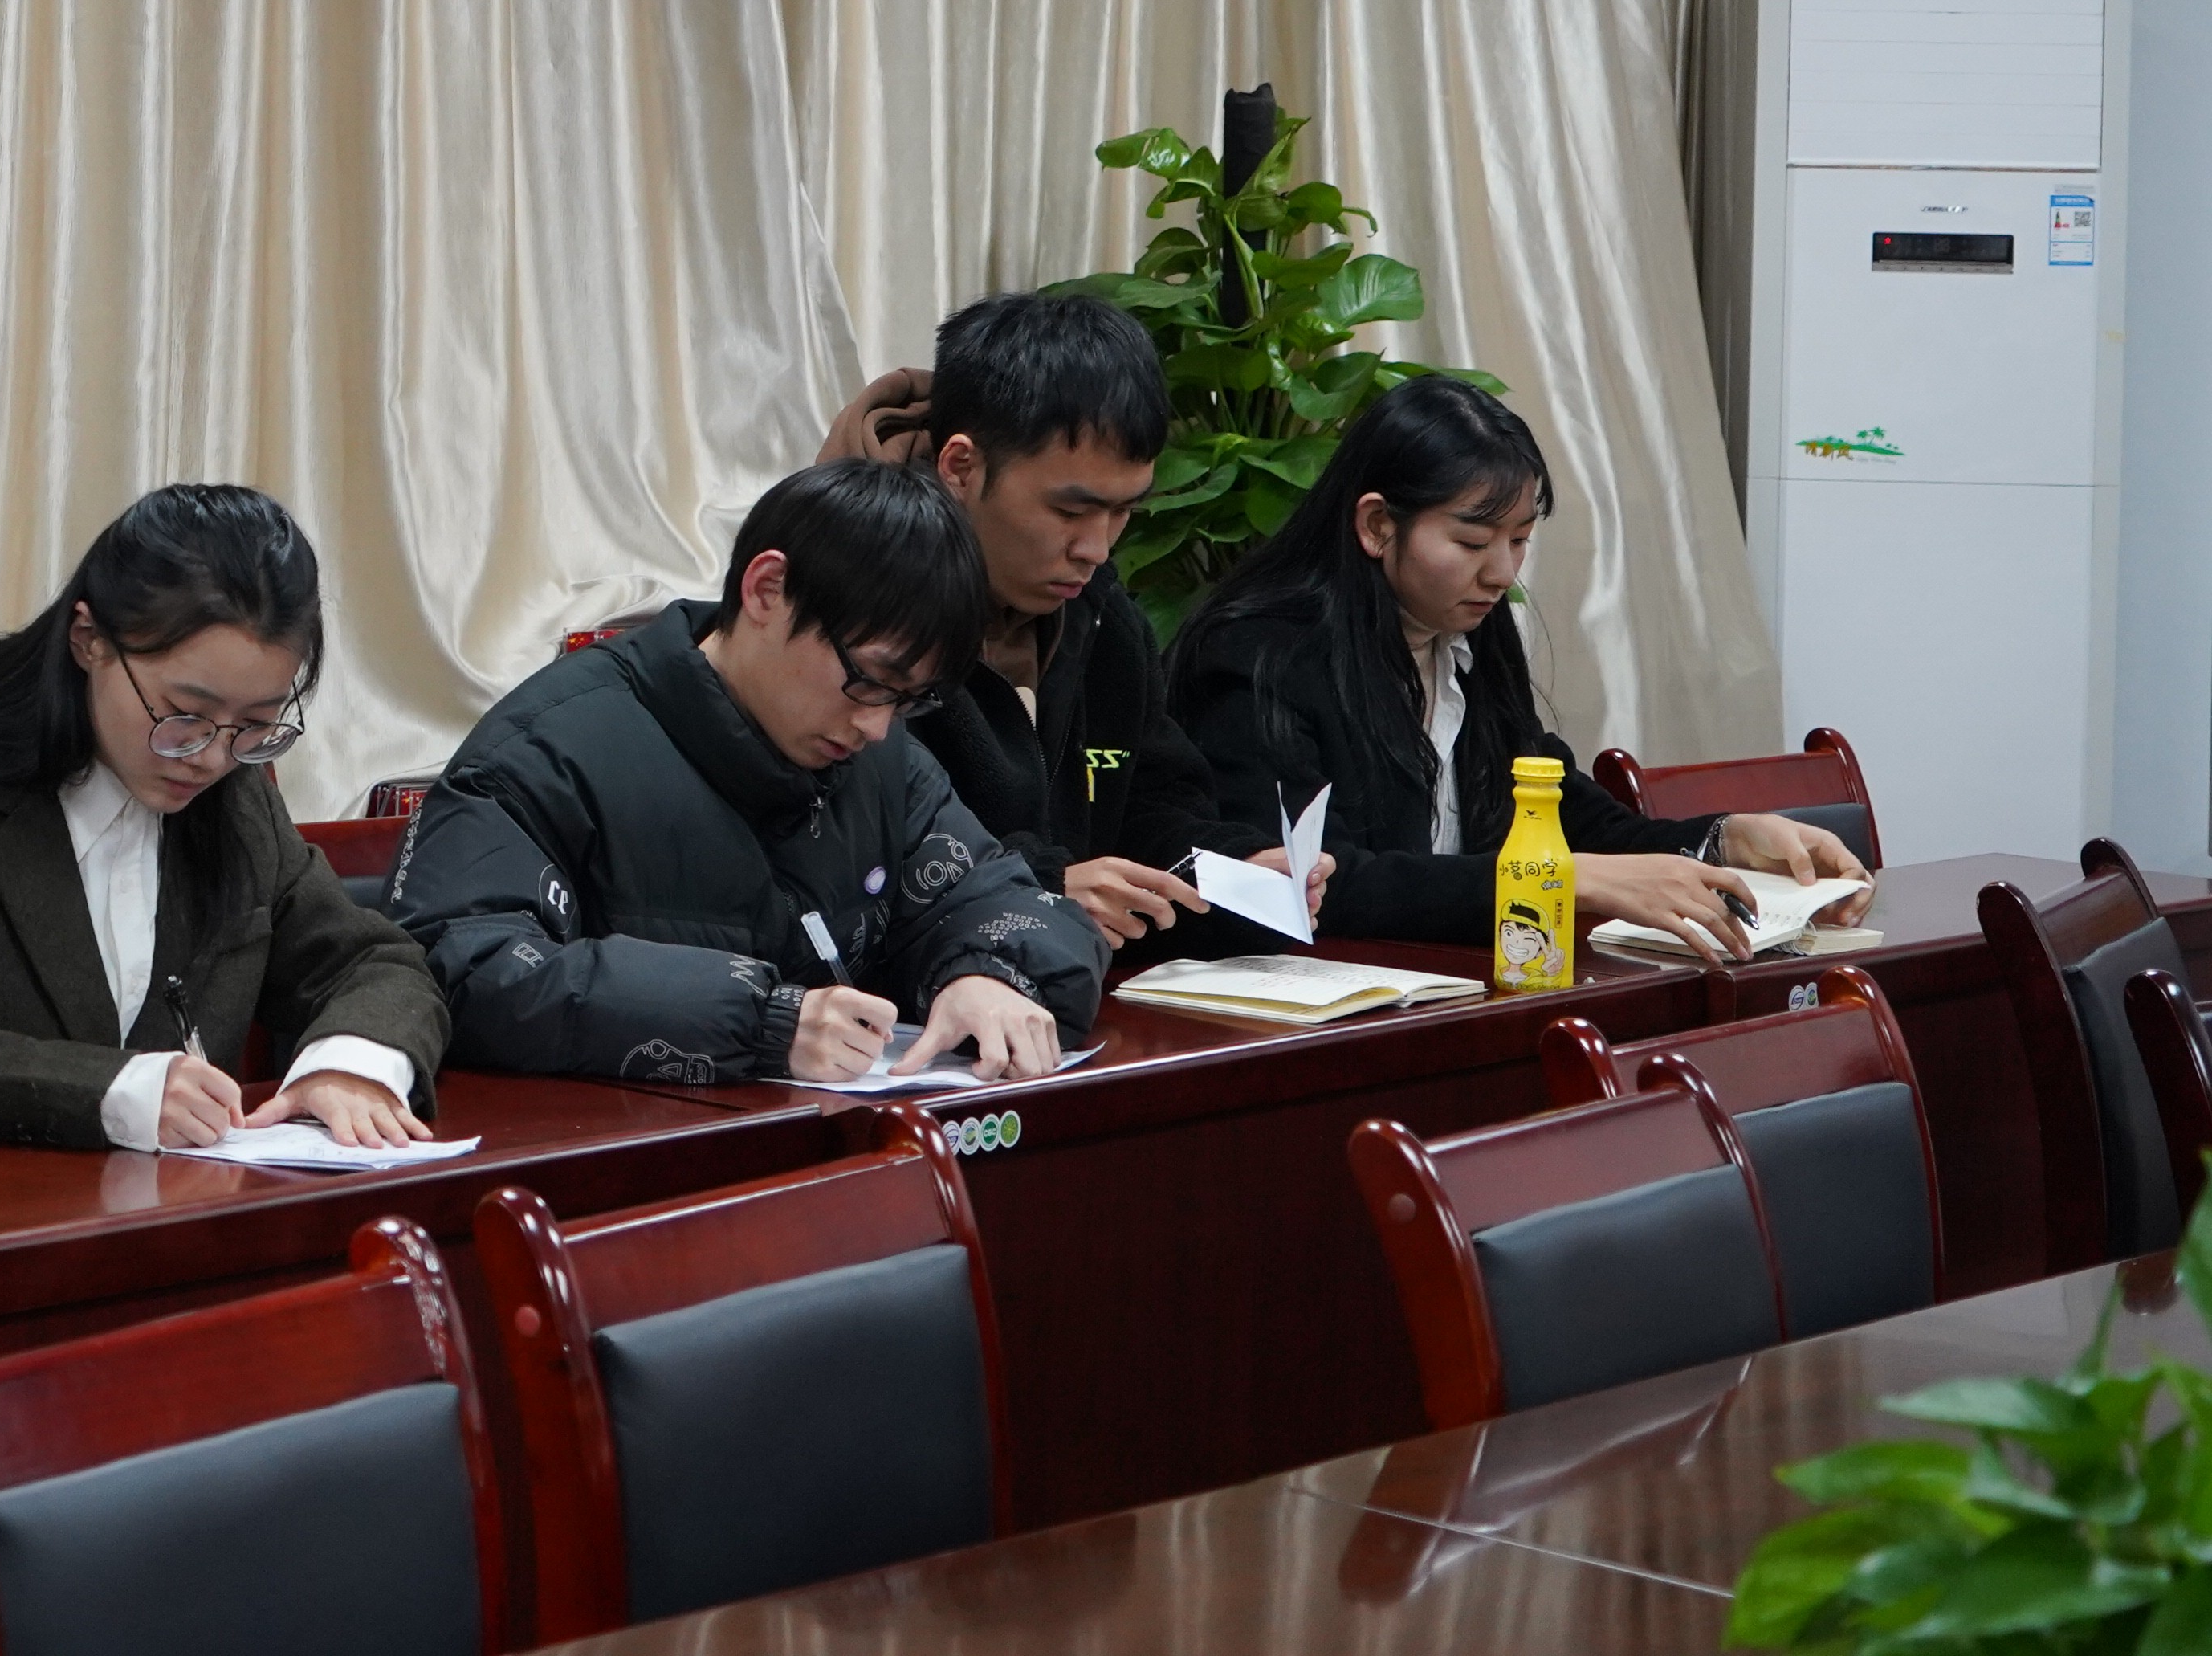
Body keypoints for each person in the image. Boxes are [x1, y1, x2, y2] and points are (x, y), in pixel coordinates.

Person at [389, 459, 1100, 1087]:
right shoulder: (545, 754)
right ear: (766, 589)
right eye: (869, 680)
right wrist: (763, 1019)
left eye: (910, 700)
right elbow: (459, 967)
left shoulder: (878, 758)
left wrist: (983, 974)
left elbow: (997, 895)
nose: (878, 726)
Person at [0, 485, 446, 1152]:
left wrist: (349, 1065)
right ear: (89, 641)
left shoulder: (236, 802)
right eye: (184, 714)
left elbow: (375, 963)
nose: (213, 757)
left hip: (193, 1201)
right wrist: (108, 1092)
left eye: (255, 724)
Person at [1171, 376, 1864, 962]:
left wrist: (1723, 839)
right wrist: (1559, 880)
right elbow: (1321, 884)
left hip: (1456, 988)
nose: (1502, 573)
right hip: (1324, 1009)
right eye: (1473, 541)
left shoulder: (1466, 632)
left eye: (1521, 539)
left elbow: (1562, 813)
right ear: (1378, 526)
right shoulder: (1257, 655)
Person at [849, 292, 1310, 956]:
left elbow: (1149, 806)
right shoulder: (844, 619)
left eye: (1124, 511)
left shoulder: (1101, 618)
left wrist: (1232, 872)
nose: (1097, 548)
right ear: (961, 468)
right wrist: (1042, 889)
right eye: (1070, 512)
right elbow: (851, 860)